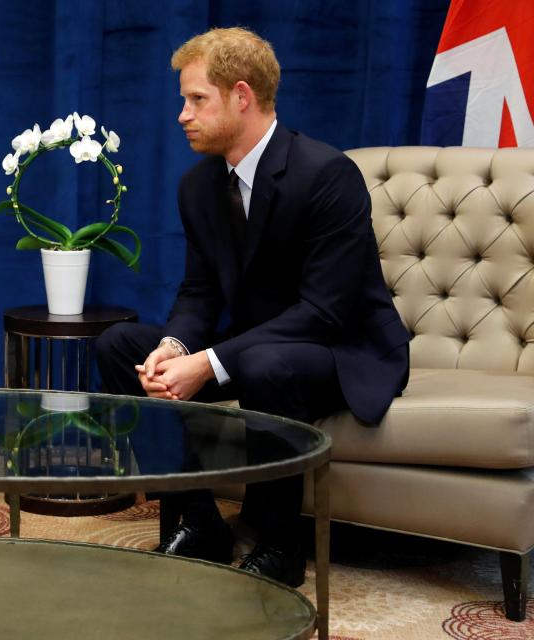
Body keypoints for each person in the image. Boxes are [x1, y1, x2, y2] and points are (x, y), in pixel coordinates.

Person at [96, 27, 410, 587]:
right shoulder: (198, 186)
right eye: (183, 100)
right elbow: (199, 294)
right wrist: (174, 348)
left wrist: (209, 362)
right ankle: (197, 521)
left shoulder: (327, 174)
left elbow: (323, 311)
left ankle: (280, 545)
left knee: (265, 361)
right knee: (121, 346)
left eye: (196, 99)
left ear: (241, 96)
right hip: (255, 346)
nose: (182, 115)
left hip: (341, 350)